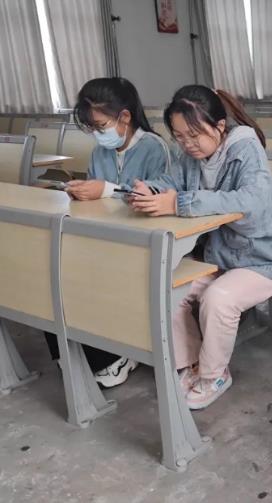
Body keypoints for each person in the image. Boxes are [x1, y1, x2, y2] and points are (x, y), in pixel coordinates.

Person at [129, 85, 272, 410]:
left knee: (218, 298)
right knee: (169, 289)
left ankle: (214, 375)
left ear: (220, 126)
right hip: (219, 255)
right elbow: (170, 182)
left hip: (264, 257)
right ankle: (191, 362)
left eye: (194, 135)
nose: (187, 144)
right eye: (179, 137)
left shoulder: (245, 148)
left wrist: (179, 203)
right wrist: (148, 190)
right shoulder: (190, 155)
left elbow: (253, 202)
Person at [45, 77, 171, 388]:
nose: (97, 134)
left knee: (94, 277)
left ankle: (115, 355)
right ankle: (70, 349)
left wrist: (106, 190)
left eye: (101, 126)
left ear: (124, 117)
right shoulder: (100, 152)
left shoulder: (153, 148)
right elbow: (96, 198)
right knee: (54, 275)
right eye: (92, 128)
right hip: (105, 236)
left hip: (144, 240)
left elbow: (159, 197)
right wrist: (80, 193)